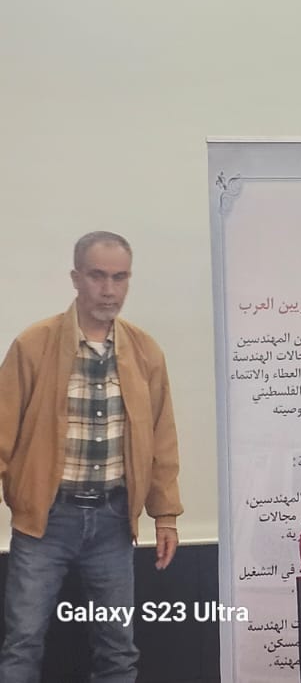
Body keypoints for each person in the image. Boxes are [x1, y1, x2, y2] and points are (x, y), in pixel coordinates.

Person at [0, 231, 183, 683]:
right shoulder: (34, 345)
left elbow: (161, 438)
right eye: (98, 276)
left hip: (113, 524)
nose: (109, 289)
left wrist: (165, 515)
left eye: (120, 278)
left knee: (118, 649)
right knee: (22, 643)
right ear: (76, 278)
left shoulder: (145, 351)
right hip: (45, 522)